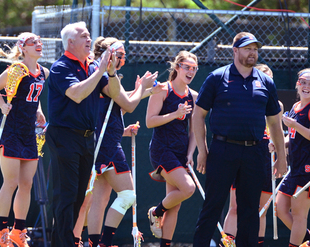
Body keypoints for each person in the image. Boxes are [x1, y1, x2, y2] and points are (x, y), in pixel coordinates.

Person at [192, 32, 287, 247]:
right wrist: (203, 150)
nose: (252, 53)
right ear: (235, 51)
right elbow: (198, 115)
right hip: (222, 150)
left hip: (255, 153)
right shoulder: (217, 77)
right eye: (247, 48)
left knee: (249, 210)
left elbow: (274, 123)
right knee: (212, 206)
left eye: (255, 49)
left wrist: (282, 157)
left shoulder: (266, 82)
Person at [45, 21, 120, 247]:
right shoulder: (61, 67)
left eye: (89, 35)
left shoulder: (91, 66)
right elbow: (77, 94)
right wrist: (99, 71)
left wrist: (112, 72)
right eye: (84, 36)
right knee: (66, 197)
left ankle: (66, 241)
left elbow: (115, 94)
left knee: (78, 197)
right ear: (71, 42)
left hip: (88, 139)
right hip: (65, 136)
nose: (90, 39)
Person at [84, 37, 157, 247]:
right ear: (109, 54)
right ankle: (104, 243)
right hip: (107, 145)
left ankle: (94, 243)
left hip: (105, 139)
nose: (123, 60)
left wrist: (144, 90)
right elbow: (128, 105)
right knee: (126, 196)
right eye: (120, 55)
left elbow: (118, 107)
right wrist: (142, 88)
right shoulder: (104, 76)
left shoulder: (99, 73)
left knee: (100, 200)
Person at [0, 32, 49, 247]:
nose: (38, 45)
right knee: (11, 182)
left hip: (29, 133)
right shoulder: (17, 70)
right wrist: (2, 105)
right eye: (33, 43)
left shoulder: (43, 72)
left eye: (39, 42)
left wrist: (39, 110)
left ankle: (18, 231)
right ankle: (1, 229)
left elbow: (35, 96)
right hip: (11, 131)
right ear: (23, 48)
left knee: (26, 183)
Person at [222, 64, 284, 246]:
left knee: (261, 210)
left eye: (269, 78)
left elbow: (277, 131)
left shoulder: (276, 105)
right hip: (244, 152)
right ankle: (227, 243)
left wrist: (279, 149)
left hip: (265, 156)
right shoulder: (242, 99)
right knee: (236, 207)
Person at [145, 51, 198, 247]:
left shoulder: (193, 96)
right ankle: (156, 212)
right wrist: (175, 114)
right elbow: (150, 122)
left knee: (174, 206)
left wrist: (191, 153)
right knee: (188, 187)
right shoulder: (162, 90)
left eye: (194, 68)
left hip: (181, 153)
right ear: (177, 67)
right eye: (187, 67)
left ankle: (165, 244)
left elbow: (195, 130)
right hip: (162, 150)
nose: (190, 71)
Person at [277, 68, 310, 247]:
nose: (306, 86)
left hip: (307, 168)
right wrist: (280, 144)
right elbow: (292, 136)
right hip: (294, 168)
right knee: (280, 209)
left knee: (299, 215)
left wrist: (296, 125)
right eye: (303, 82)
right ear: (298, 84)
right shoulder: (295, 107)